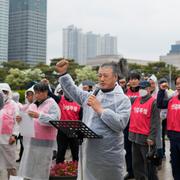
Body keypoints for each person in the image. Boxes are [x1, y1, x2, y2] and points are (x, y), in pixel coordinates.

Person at [55, 59, 131, 180]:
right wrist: (63, 74)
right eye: (99, 75)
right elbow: (73, 91)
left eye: (105, 76)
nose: (101, 79)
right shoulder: (92, 95)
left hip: (109, 156)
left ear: (115, 77)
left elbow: (120, 124)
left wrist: (100, 110)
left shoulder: (123, 100)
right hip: (89, 153)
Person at [17, 83, 60, 180]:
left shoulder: (52, 104)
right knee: (30, 168)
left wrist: (39, 116)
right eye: (35, 93)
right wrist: (21, 120)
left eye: (39, 93)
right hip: (31, 141)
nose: (36, 95)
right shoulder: (33, 104)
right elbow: (29, 121)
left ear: (45, 92)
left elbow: (55, 120)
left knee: (41, 168)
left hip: (45, 142)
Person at [129, 80, 160, 180]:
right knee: (137, 165)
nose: (141, 90)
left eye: (143, 88)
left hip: (146, 139)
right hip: (134, 137)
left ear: (149, 89)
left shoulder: (153, 102)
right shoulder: (136, 100)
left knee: (149, 165)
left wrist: (151, 137)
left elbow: (155, 122)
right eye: (140, 88)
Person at [157, 76, 180, 180]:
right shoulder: (172, 99)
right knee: (175, 163)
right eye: (177, 83)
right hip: (174, 136)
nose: (179, 86)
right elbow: (160, 104)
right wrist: (161, 90)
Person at [0, 83, 19, 178]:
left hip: (8, 139)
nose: (3, 94)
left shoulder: (14, 105)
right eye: (1, 91)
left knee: (11, 165)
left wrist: (14, 135)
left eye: (5, 91)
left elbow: (18, 121)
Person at [124, 72, 141, 180]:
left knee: (139, 151)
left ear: (139, 80)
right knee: (128, 150)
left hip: (139, 126)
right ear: (128, 81)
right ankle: (130, 171)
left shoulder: (143, 92)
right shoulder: (124, 92)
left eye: (135, 78)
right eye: (131, 79)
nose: (133, 81)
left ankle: (140, 172)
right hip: (127, 125)